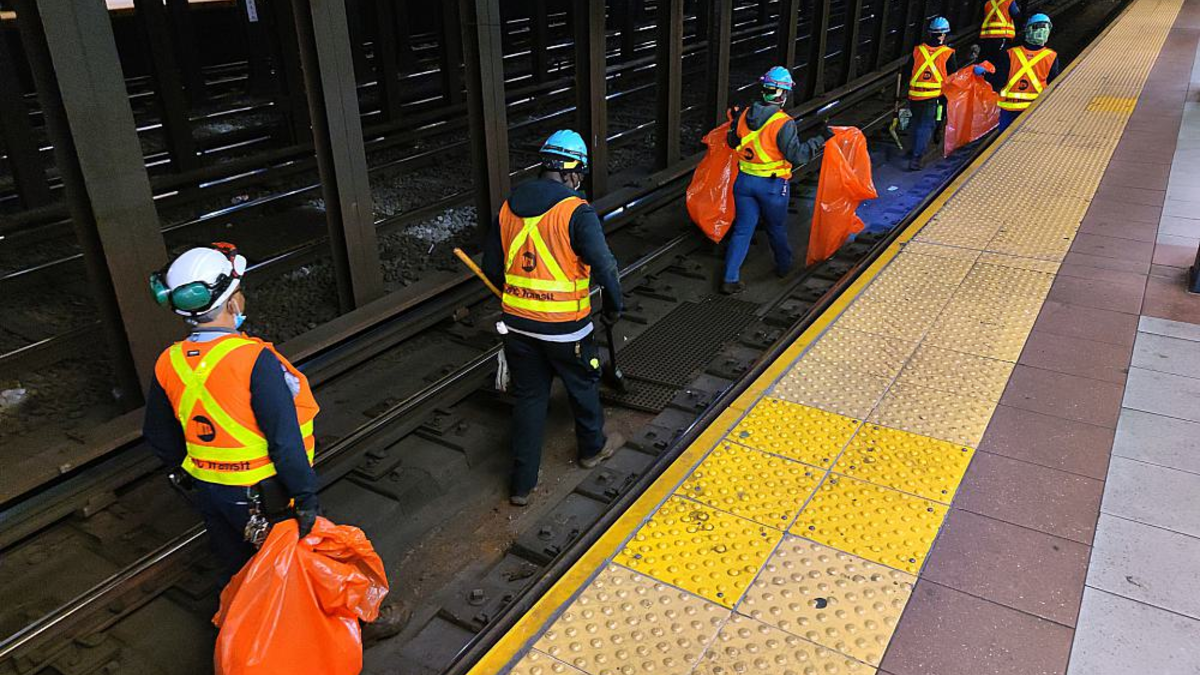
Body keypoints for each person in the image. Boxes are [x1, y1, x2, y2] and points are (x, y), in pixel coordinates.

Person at [143, 243, 319, 585]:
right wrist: (306, 496)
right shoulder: (254, 360)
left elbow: (158, 434)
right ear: (232, 303)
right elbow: (285, 441)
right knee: (281, 575)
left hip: (210, 493)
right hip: (263, 495)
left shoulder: (168, 361)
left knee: (238, 571)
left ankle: (240, 616)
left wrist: (193, 474)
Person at [482, 130, 625, 506]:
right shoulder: (576, 211)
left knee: (530, 398)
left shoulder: (508, 207)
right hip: (566, 330)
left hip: (517, 325)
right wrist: (614, 305)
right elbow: (605, 266)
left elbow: (492, 268)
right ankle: (592, 449)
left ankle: (521, 485)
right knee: (583, 385)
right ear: (573, 172)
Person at [721, 66, 833, 294]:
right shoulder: (783, 123)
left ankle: (729, 278)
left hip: (744, 183)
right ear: (782, 94)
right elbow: (797, 156)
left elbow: (732, 142)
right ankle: (784, 267)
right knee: (776, 227)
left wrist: (734, 123)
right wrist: (820, 139)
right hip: (771, 187)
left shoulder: (745, 114)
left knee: (742, 230)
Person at [989, 13, 1060, 132]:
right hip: (1036, 109)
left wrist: (985, 73)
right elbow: (1054, 84)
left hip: (1009, 109)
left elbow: (999, 80)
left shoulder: (1010, 54)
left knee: (1006, 138)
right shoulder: (1051, 57)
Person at [905, 17, 958, 171]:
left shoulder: (918, 50)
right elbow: (952, 77)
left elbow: (907, 71)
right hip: (933, 96)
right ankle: (916, 159)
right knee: (926, 125)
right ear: (943, 34)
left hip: (914, 95)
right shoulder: (948, 53)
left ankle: (911, 150)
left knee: (915, 122)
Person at [978, 0, 1022, 67]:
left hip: (986, 37)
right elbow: (1017, 15)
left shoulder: (988, 3)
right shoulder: (1009, 2)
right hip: (1002, 36)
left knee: (987, 61)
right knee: (999, 62)